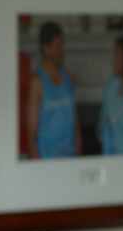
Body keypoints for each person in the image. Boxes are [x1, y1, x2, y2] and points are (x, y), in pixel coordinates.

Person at [26, 21, 82, 159]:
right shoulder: (37, 82)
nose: (61, 50)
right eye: (57, 46)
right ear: (46, 48)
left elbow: (75, 121)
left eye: (62, 45)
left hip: (70, 156)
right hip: (47, 160)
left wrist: (79, 150)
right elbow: (31, 131)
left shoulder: (68, 77)